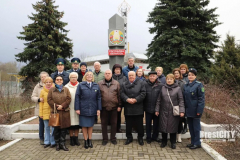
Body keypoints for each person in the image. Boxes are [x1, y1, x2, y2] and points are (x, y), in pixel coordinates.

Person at [155, 74, 185, 149]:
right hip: (163, 111)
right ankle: (164, 141)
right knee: (163, 127)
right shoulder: (163, 88)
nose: (169, 80)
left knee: (173, 127)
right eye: (168, 79)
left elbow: (181, 100)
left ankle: (173, 142)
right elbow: (159, 100)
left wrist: (182, 111)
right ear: (166, 80)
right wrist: (157, 109)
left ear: (173, 80)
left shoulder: (178, 89)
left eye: (171, 79)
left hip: (173, 112)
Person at [75, 71, 102, 149]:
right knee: (84, 126)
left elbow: (99, 98)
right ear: (85, 76)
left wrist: (98, 109)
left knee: (90, 126)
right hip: (83, 108)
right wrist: (77, 108)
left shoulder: (96, 85)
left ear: (92, 77)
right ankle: (85, 140)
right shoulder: (81, 85)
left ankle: (90, 140)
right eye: (88, 75)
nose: (89, 76)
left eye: (91, 75)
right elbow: (77, 97)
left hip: (93, 108)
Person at [121, 71, 146, 146]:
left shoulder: (141, 83)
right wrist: (127, 99)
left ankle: (140, 138)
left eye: (132, 75)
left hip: (138, 106)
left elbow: (143, 93)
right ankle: (129, 137)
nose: (131, 76)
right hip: (128, 107)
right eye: (130, 75)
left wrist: (135, 99)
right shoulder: (124, 84)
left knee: (139, 124)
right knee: (128, 124)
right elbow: (122, 93)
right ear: (128, 76)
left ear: (135, 76)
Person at [47, 75, 71, 151]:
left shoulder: (66, 89)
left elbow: (69, 98)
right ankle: (57, 144)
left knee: (64, 130)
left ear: (63, 81)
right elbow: (49, 100)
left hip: (64, 112)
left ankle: (62, 144)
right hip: (55, 112)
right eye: (57, 79)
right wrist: (57, 106)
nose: (59, 81)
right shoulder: (51, 90)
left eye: (60, 79)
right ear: (55, 81)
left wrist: (63, 106)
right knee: (56, 130)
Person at [98, 69, 121, 146]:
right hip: (103, 107)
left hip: (114, 107)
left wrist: (119, 105)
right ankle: (105, 139)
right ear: (104, 75)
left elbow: (119, 95)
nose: (107, 74)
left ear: (112, 74)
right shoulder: (100, 83)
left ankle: (113, 138)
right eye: (106, 73)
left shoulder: (116, 83)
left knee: (114, 123)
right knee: (103, 124)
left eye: (109, 73)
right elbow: (98, 96)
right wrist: (98, 107)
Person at [184, 68, 205, 149]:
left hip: (196, 110)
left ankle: (197, 143)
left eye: (192, 75)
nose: (190, 76)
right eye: (189, 75)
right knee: (191, 128)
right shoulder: (186, 85)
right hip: (188, 110)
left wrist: (199, 110)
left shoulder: (199, 85)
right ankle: (193, 142)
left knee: (196, 128)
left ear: (195, 76)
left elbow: (201, 99)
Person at [143, 71, 162, 144]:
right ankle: (148, 137)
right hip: (147, 108)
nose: (152, 77)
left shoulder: (160, 85)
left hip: (157, 108)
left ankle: (155, 137)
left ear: (156, 77)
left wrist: (158, 108)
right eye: (150, 76)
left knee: (156, 124)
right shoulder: (145, 84)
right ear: (148, 77)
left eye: (153, 76)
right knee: (148, 124)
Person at [31, 71, 49, 145]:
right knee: (42, 124)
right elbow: (32, 97)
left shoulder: (51, 85)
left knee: (51, 125)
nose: (43, 78)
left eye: (45, 76)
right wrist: (39, 99)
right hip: (41, 109)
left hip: (49, 109)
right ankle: (41, 138)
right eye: (42, 77)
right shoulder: (37, 86)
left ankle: (50, 139)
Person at [39, 77, 55, 148]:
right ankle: (46, 141)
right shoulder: (42, 91)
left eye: (50, 82)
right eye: (47, 82)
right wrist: (41, 114)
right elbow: (41, 103)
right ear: (45, 83)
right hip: (45, 111)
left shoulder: (55, 90)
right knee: (47, 127)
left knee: (53, 128)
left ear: (52, 83)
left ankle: (53, 142)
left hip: (53, 111)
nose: (48, 83)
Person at [65, 72, 80, 146]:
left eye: (75, 77)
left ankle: (76, 138)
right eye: (72, 77)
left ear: (77, 78)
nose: (73, 78)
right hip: (69, 107)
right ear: (69, 78)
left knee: (77, 124)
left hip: (78, 108)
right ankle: (71, 138)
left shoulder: (80, 85)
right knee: (71, 124)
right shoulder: (66, 86)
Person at [173, 68, 187, 143]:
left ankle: (179, 136)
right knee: (173, 121)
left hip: (180, 104)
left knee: (179, 121)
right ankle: (173, 136)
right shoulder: (171, 82)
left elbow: (185, 94)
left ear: (180, 74)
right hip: (172, 104)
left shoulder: (183, 83)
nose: (176, 75)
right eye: (175, 73)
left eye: (177, 73)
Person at [112, 64, 127, 133]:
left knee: (120, 114)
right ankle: (114, 128)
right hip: (113, 99)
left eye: (119, 69)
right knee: (115, 115)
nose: (117, 70)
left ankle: (119, 127)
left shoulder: (124, 78)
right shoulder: (111, 77)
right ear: (114, 70)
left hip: (122, 98)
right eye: (116, 69)